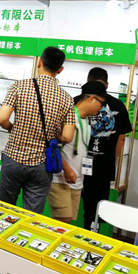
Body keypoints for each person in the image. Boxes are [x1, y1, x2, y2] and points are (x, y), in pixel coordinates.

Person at [0, 46, 75, 214]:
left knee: (3, 208)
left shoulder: (19, 86)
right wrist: (54, 133)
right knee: (32, 215)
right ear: (60, 69)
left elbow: (2, 119)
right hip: (42, 163)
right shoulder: (67, 99)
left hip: (14, 156)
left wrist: (12, 128)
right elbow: (68, 137)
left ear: (39, 62)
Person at [48, 81, 107, 223]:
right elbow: (52, 146)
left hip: (77, 181)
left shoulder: (87, 121)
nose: (101, 108)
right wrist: (67, 169)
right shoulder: (68, 117)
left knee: (67, 223)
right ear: (91, 98)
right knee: (63, 220)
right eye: (101, 103)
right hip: (60, 178)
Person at [82, 67, 132, 231]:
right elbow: (122, 138)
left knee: (71, 202)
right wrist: (112, 158)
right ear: (107, 84)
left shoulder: (78, 101)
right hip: (103, 165)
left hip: (77, 163)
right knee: (96, 208)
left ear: (88, 82)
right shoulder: (118, 105)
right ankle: (91, 234)